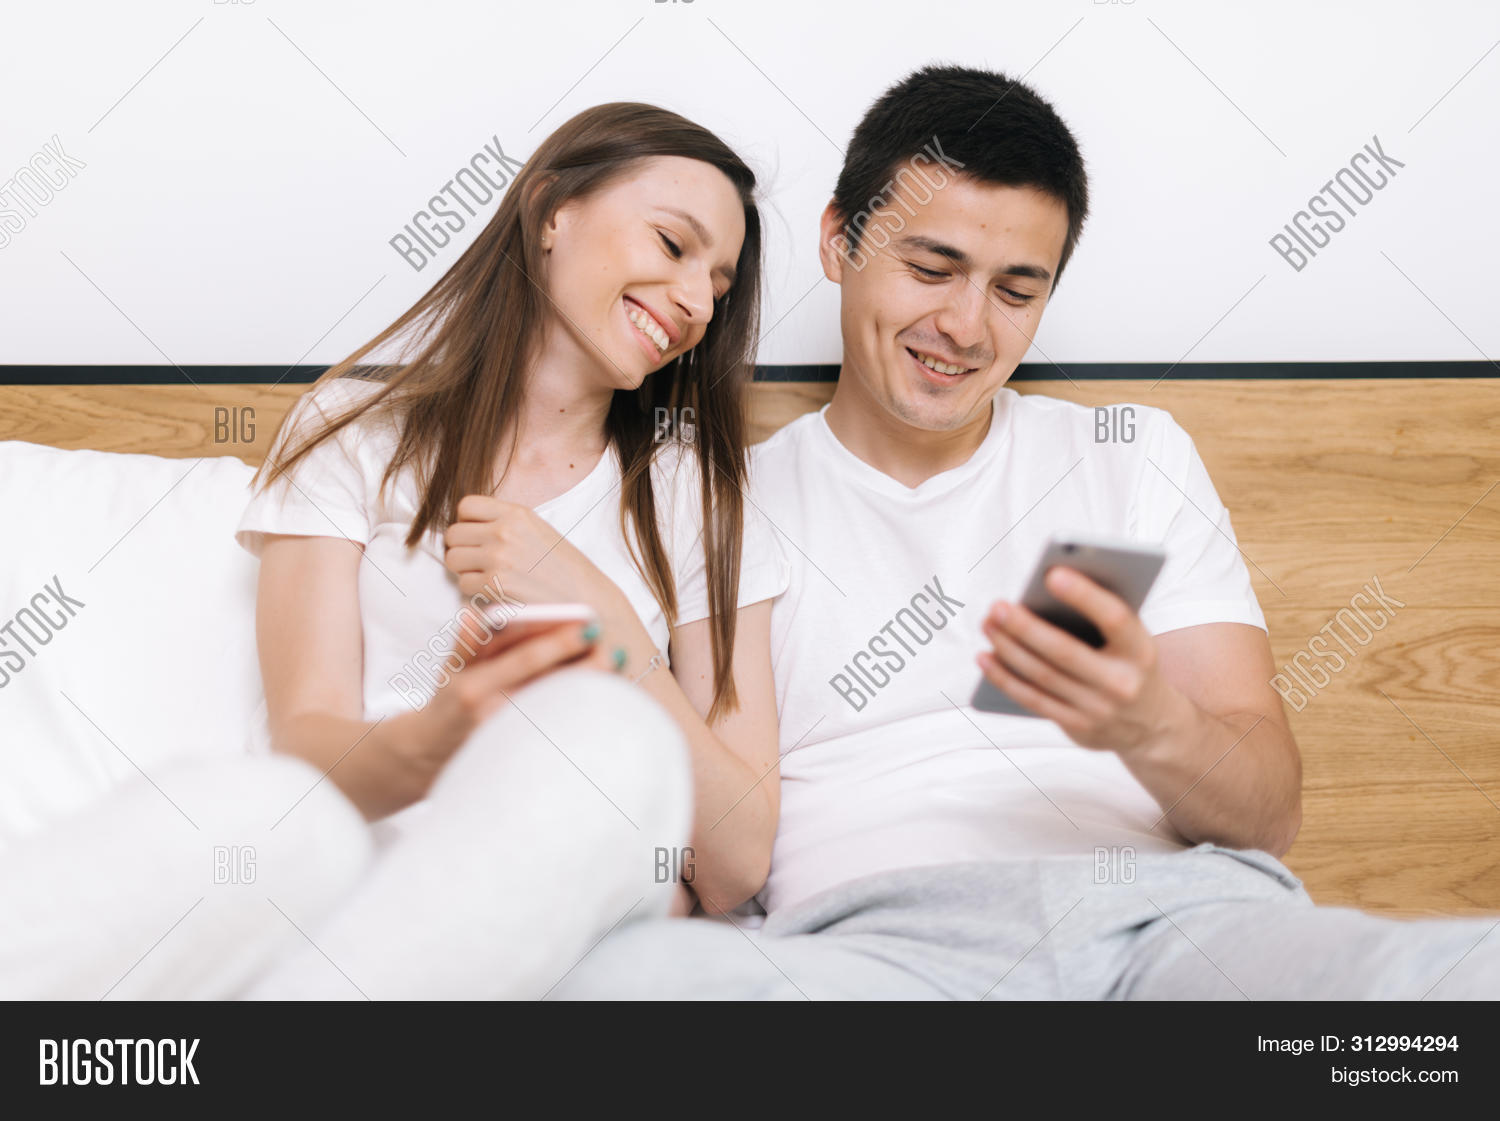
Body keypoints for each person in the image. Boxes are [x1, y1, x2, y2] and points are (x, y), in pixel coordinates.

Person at [551, 66, 1500, 1000]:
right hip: (874, 950)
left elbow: (1269, 815)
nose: (965, 327)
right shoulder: (715, 503)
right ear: (840, 239)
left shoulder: (1128, 457)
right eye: (931, 269)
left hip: (1164, 926)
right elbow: (716, 855)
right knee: (627, 981)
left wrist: (1150, 723)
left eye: (1015, 291)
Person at [1, 102, 788, 1001]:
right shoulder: (353, 433)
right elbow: (305, 750)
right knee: (243, 809)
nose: (696, 302)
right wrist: (438, 736)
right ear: (550, 213)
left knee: (605, 742)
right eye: (673, 245)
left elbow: (737, 863)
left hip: (560, 889)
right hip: (354, 878)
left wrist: (610, 626)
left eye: (719, 286)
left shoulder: (699, 499)